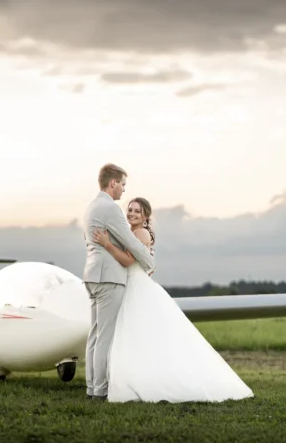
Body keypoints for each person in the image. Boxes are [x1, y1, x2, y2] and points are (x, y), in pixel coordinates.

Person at [92, 197, 254, 404]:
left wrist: (106, 244)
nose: (131, 214)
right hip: (132, 285)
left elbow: (128, 260)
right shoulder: (132, 232)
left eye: (137, 211)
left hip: (137, 289)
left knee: (138, 335)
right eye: (130, 210)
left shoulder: (140, 233)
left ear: (146, 216)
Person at [82, 164, 156, 400]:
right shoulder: (111, 209)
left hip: (92, 275)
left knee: (94, 335)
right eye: (123, 185)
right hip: (109, 278)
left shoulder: (91, 207)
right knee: (104, 337)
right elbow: (132, 243)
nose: (124, 190)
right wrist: (149, 262)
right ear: (112, 183)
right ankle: (100, 392)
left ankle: (91, 387)